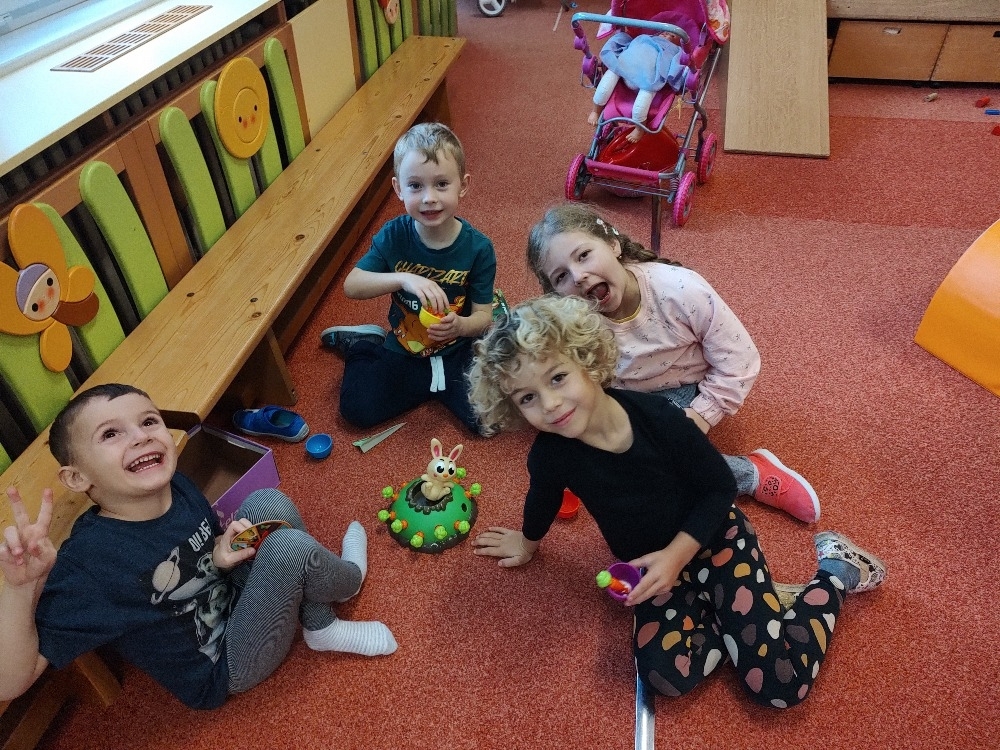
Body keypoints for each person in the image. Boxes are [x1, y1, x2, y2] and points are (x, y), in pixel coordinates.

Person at [467, 295, 886, 707]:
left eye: (557, 377)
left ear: (587, 360)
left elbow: (720, 488)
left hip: (715, 539)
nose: (550, 404)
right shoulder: (549, 454)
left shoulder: (661, 419)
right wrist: (527, 543)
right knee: (664, 677)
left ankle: (837, 570)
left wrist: (675, 558)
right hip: (652, 565)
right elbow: (542, 497)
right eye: (527, 398)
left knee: (779, 686)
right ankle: (744, 614)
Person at [0, 384, 396, 710]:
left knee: (266, 503)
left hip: (232, 593)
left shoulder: (177, 486)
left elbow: (203, 557)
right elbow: (10, 683)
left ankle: (319, 623)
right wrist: (19, 587)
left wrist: (220, 553)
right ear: (76, 478)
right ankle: (348, 581)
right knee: (288, 548)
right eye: (110, 434)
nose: (141, 436)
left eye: (148, 421)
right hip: (222, 665)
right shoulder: (90, 564)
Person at [526, 202, 820, 523]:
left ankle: (751, 474)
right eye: (561, 276)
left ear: (612, 244)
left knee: (648, 464)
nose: (579, 276)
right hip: (621, 398)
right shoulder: (572, 318)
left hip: (682, 391)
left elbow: (740, 359)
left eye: (584, 255)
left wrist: (703, 413)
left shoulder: (679, 290)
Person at [320, 122, 497, 435]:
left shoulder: (479, 248)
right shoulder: (393, 235)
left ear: (463, 185)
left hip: (458, 350)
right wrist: (403, 279)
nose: (429, 198)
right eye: (415, 186)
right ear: (398, 188)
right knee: (356, 408)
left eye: (441, 184)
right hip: (405, 347)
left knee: (489, 421)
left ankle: (432, 384)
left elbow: (483, 317)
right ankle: (363, 344)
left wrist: (460, 326)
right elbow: (352, 285)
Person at [589, 29, 697, 142]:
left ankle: (639, 128)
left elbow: (678, 65)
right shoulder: (645, 37)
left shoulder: (676, 50)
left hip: (648, 77)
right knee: (607, 81)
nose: (666, 34)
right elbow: (630, 44)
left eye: (672, 36)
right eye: (665, 32)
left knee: (642, 103)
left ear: (678, 43)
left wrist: (680, 76)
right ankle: (596, 110)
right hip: (623, 66)